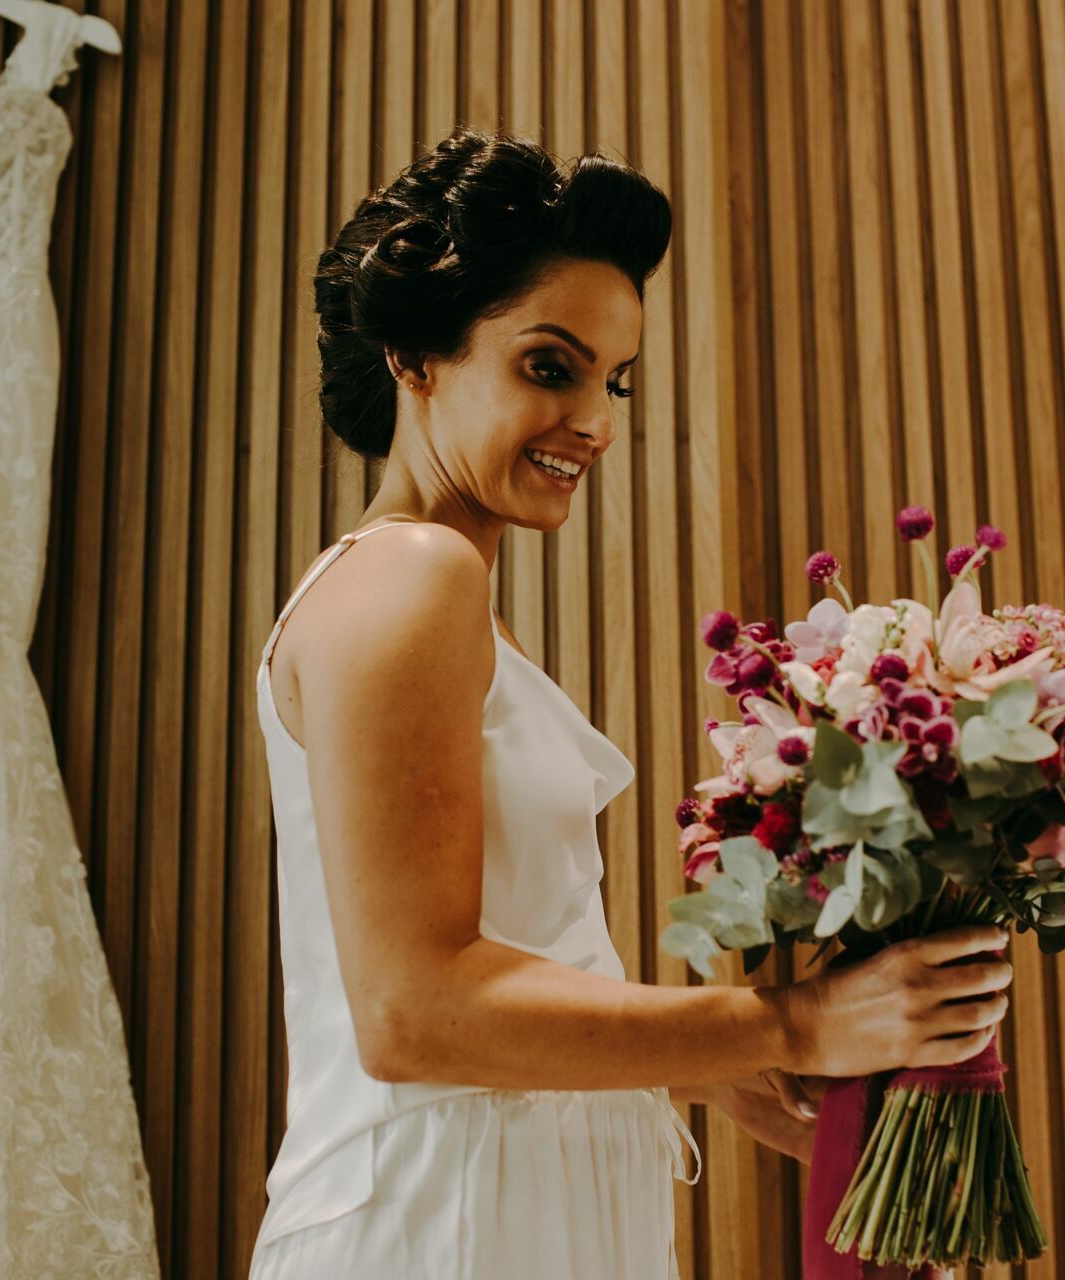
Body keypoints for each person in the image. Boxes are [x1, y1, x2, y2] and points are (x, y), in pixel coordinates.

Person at [246, 130, 1012, 1279]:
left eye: (615, 379)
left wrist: (711, 1065)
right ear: (414, 354)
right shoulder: (413, 574)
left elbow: (508, 951)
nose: (598, 419)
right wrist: (792, 1021)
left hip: (506, 1200)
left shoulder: (436, 590)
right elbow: (412, 1006)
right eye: (550, 366)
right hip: (443, 1222)